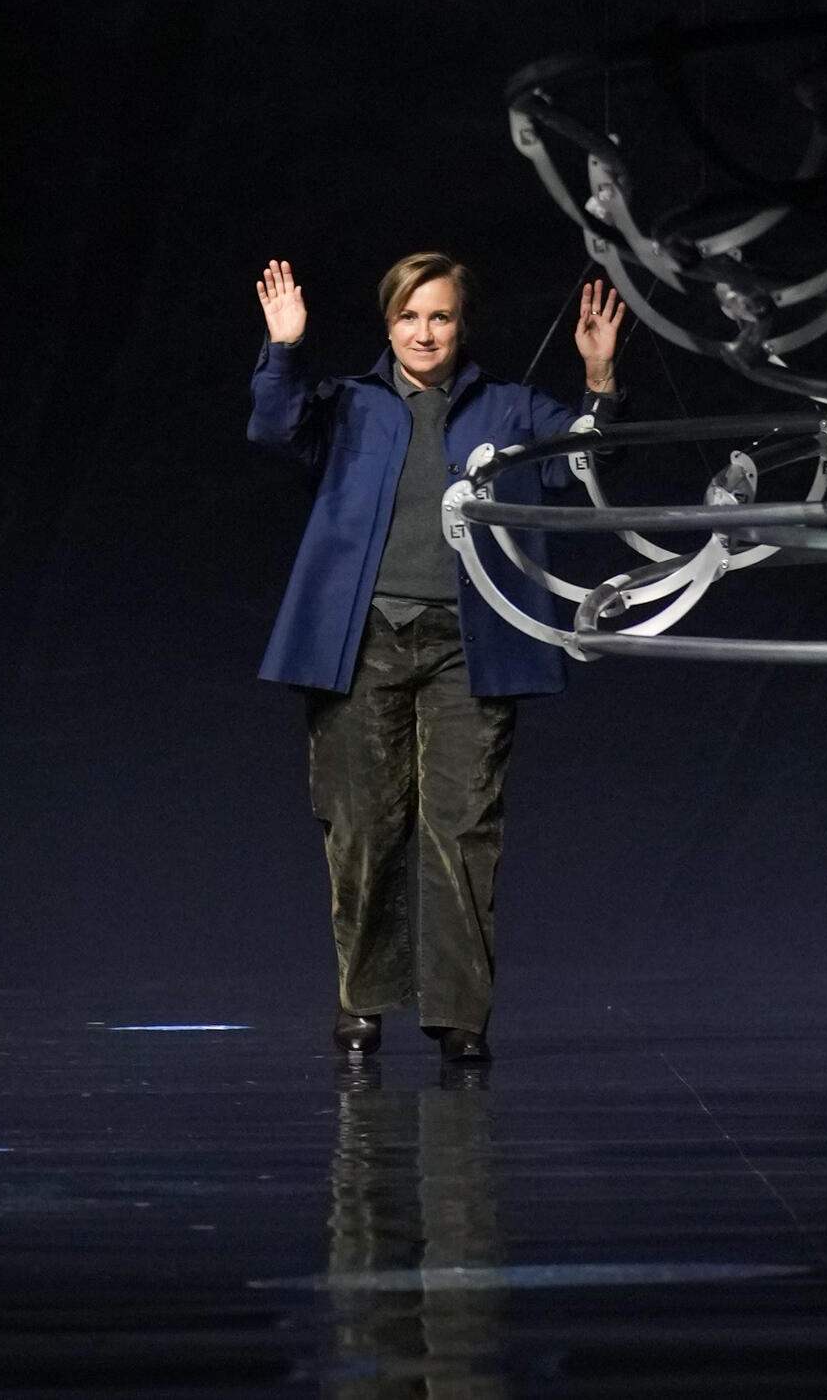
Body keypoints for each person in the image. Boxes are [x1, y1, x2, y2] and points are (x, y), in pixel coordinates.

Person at [249, 253, 624, 1063]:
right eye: (409, 317)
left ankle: (461, 1018)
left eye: (441, 316)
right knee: (361, 827)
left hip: (468, 646)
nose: (424, 333)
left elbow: (583, 466)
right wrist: (284, 348)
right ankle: (362, 1002)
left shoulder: (509, 406)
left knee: (462, 829)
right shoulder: (348, 402)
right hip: (362, 643)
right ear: (388, 324)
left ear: (462, 324)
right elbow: (275, 429)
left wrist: (598, 379)